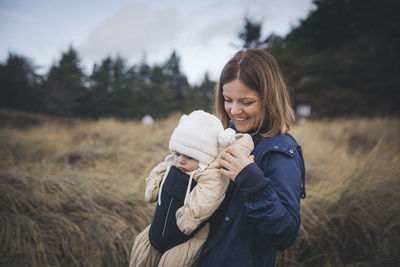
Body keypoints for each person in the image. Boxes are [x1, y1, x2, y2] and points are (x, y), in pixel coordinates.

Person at [195, 49, 306, 267]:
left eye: (246, 102)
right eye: (228, 100)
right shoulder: (224, 138)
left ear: (269, 98)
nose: (234, 111)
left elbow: (285, 233)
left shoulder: (280, 152)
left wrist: (251, 180)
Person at [129, 110, 254, 267]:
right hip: (154, 233)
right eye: (177, 154)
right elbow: (157, 173)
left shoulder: (208, 176)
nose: (180, 161)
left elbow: (209, 195)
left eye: (189, 157)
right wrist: (152, 186)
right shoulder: (171, 164)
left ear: (204, 159)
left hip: (185, 240)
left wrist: (189, 217)